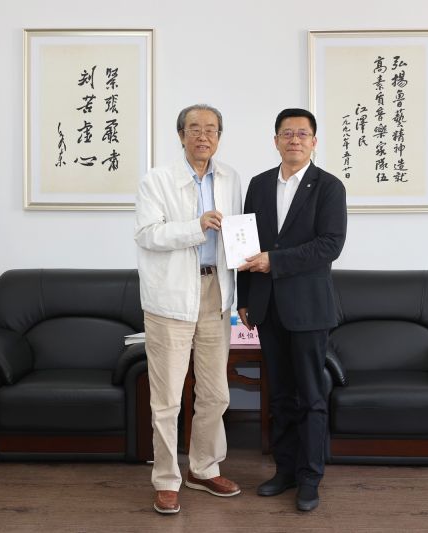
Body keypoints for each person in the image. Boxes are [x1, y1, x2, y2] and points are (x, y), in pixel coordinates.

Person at [237, 108, 347, 512]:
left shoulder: (329, 187)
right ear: (276, 141)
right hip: (267, 308)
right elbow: (245, 243)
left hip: (309, 309)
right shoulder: (259, 184)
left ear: (314, 142)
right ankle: (284, 471)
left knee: (311, 395)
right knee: (280, 395)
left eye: (302, 134)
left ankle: (310, 477)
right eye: (287, 133)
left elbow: (330, 245)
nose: (294, 140)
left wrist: (275, 261)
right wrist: (244, 298)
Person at [135, 104, 242, 515]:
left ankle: (203, 467)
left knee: (215, 392)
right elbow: (147, 234)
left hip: (216, 290)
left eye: (211, 129)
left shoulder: (230, 178)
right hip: (171, 295)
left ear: (219, 137)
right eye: (194, 129)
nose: (203, 136)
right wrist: (196, 227)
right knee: (167, 399)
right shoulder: (157, 179)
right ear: (180, 135)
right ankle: (166, 480)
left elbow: (238, 234)